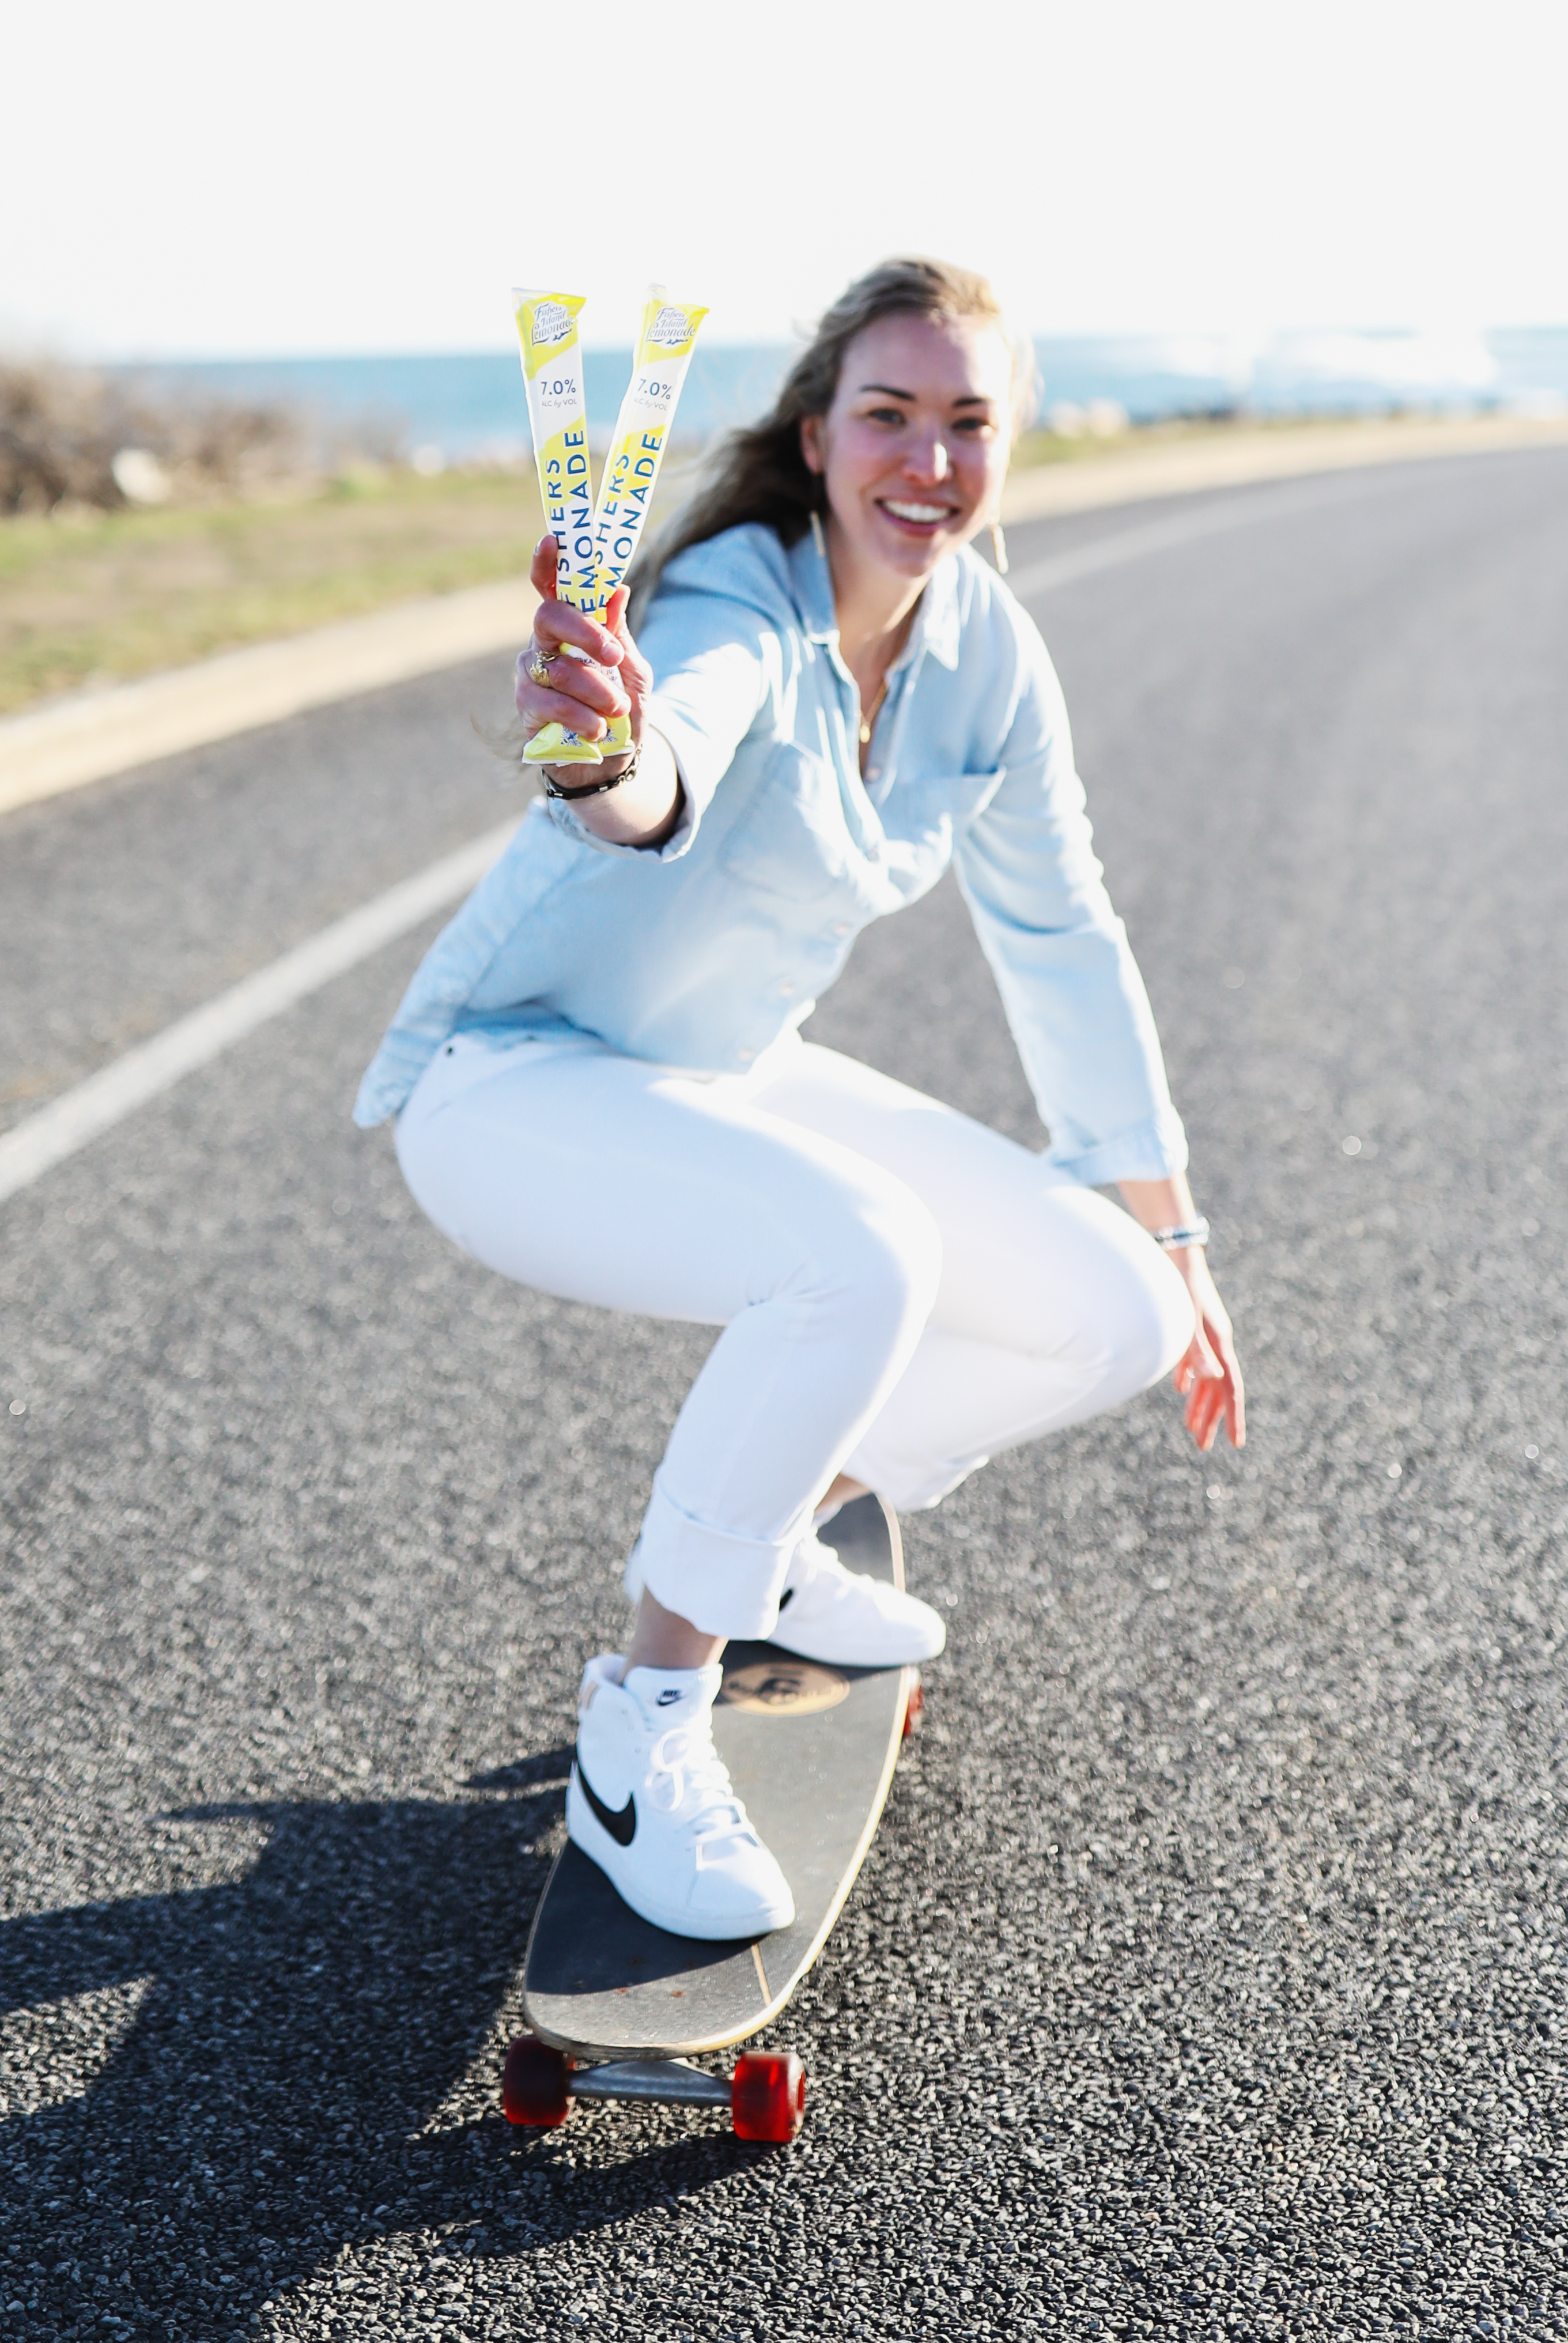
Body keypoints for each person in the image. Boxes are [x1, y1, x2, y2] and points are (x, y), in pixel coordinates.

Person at [354, 257, 1243, 1941]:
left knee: (1117, 1317)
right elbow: (660, 754)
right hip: (516, 1087)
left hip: (721, 1077)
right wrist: (603, 755)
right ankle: (642, 1726)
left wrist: (1173, 1231)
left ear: (1009, 444)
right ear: (818, 436)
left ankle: (763, 1541)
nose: (929, 460)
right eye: (889, 415)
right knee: (859, 1252)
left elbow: (1061, 933)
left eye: (968, 422)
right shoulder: (729, 606)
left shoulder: (984, 653)